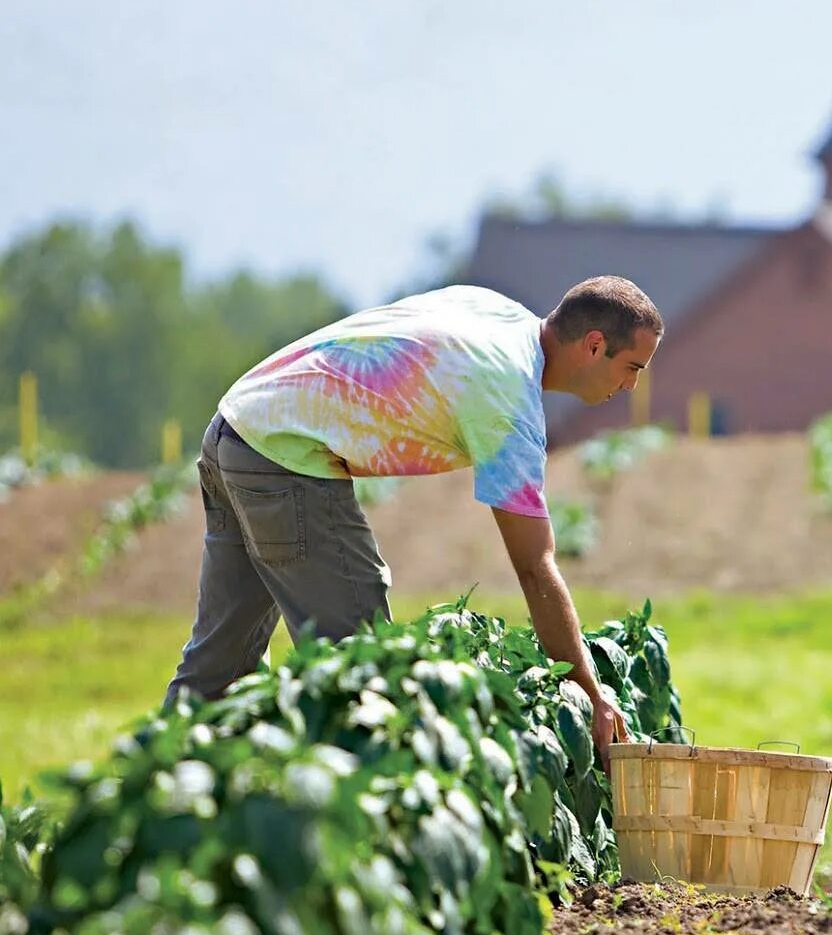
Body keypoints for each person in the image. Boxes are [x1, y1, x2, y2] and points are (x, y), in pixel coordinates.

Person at [165, 276, 662, 760]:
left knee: (218, 666)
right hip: (283, 454)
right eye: (633, 366)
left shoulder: (496, 311)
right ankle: (349, 825)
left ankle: (151, 799)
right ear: (595, 345)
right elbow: (534, 564)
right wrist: (589, 693)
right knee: (365, 673)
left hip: (236, 425)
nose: (634, 384)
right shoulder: (508, 399)